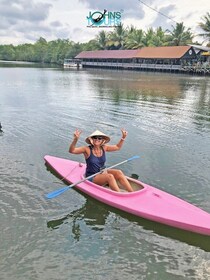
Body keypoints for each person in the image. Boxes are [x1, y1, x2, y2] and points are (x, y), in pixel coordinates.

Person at [69, 129, 134, 192]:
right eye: (95, 137)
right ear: (92, 139)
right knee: (110, 177)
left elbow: (117, 147)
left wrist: (123, 137)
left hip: (103, 172)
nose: (97, 139)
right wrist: (75, 139)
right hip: (92, 176)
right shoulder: (86, 149)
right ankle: (119, 195)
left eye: (99, 138)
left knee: (118, 172)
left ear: (102, 140)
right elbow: (72, 151)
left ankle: (131, 192)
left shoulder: (104, 147)